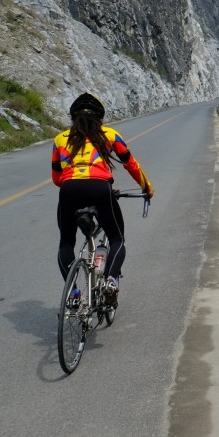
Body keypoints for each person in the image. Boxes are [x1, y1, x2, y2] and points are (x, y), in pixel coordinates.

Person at [51, 93, 154, 305]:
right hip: (100, 188)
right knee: (117, 239)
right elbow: (130, 164)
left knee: (66, 243)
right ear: (100, 118)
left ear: (73, 118)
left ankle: (73, 295)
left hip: (69, 189)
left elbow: (56, 178)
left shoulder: (60, 139)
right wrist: (147, 187)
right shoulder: (109, 134)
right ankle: (110, 281)